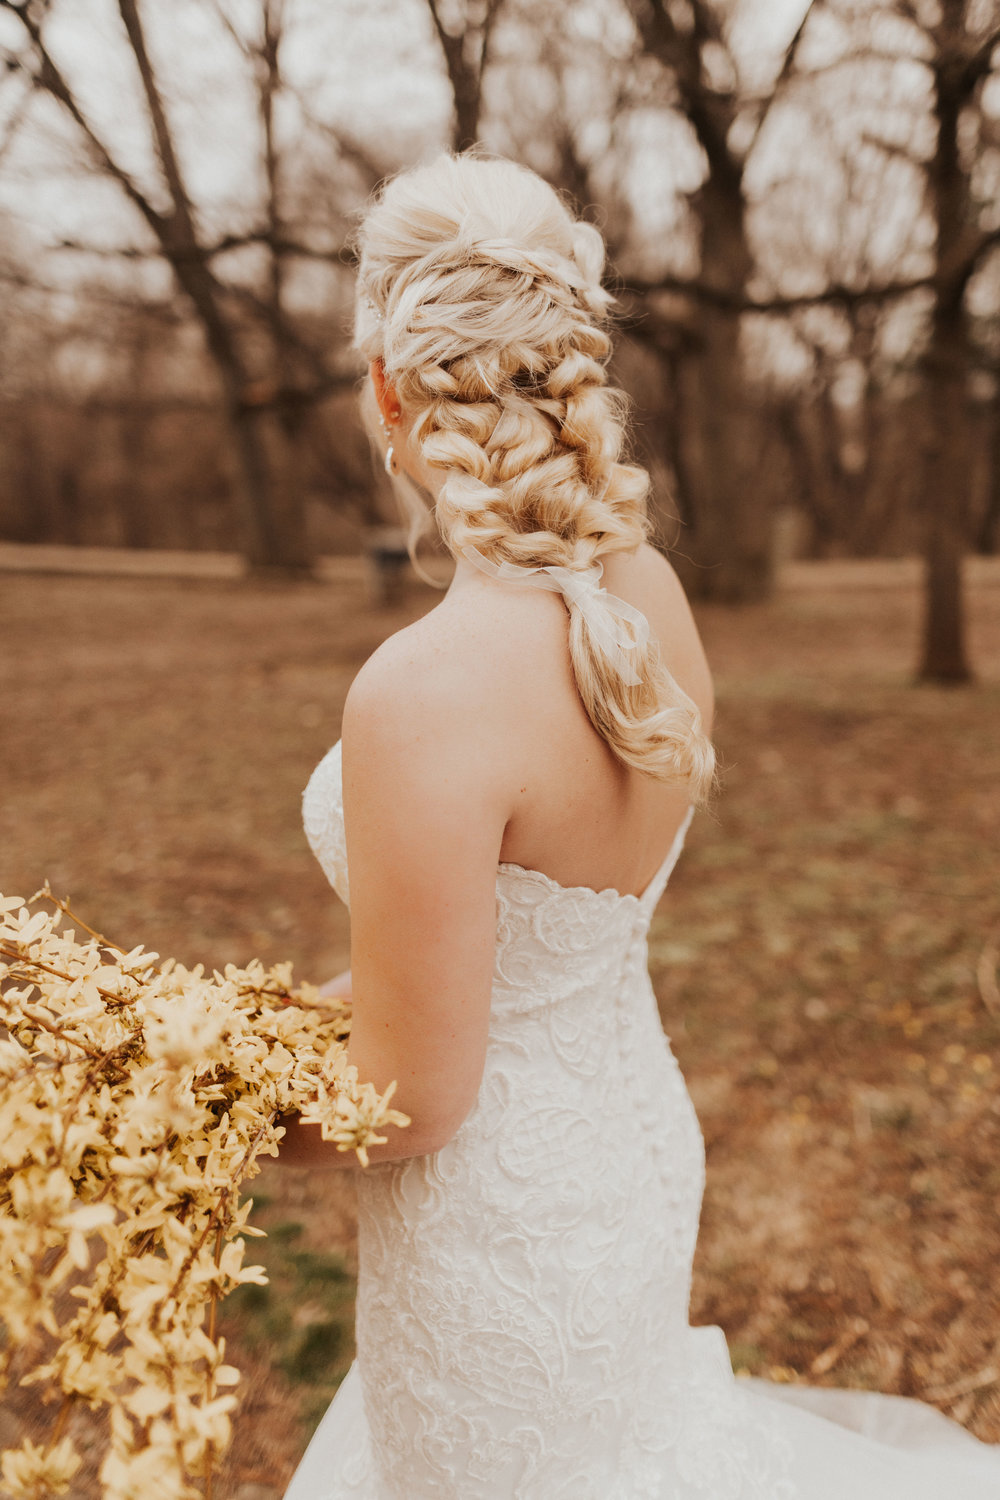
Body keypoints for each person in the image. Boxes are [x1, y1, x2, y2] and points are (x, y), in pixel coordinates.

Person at [280, 154, 1000, 1499]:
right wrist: (271, 1022)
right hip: (627, 1151)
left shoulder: (421, 692)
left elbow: (414, 1098)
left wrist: (185, 1117)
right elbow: (529, 952)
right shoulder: (646, 593)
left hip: (490, 1231)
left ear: (388, 390)